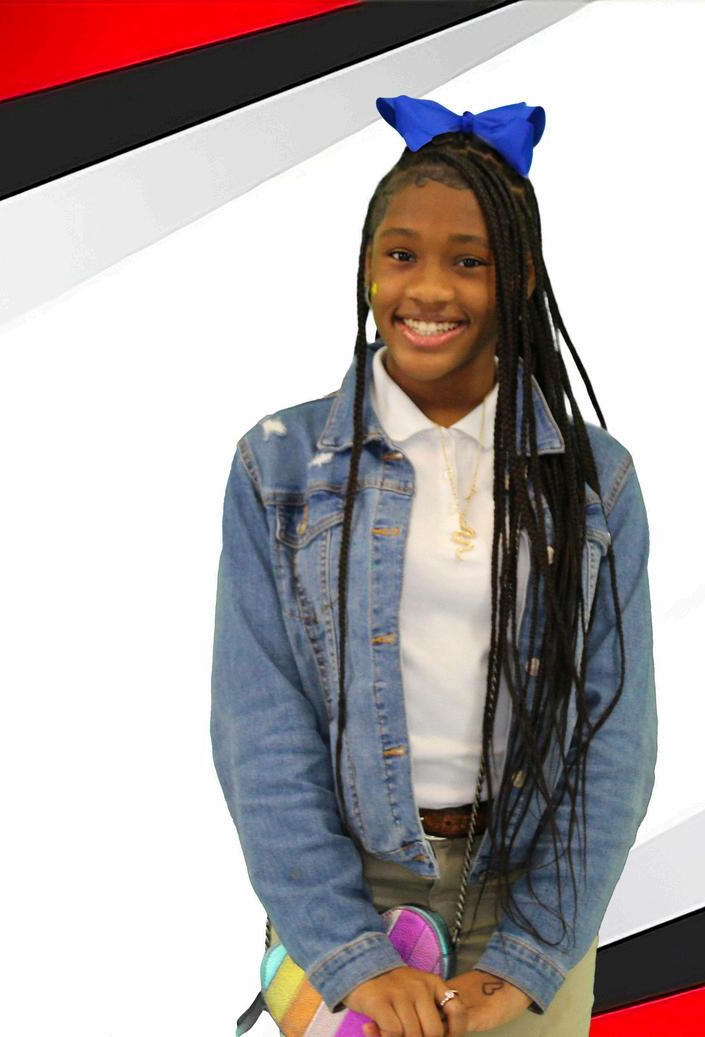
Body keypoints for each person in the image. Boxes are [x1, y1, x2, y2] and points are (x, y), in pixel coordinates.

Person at [212, 95, 657, 1037]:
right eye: (401, 254)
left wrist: (531, 954)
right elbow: (261, 734)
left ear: (521, 277)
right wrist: (349, 952)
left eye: (468, 261)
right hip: (346, 890)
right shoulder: (280, 467)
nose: (428, 290)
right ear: (367, 266)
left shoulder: (594, 482)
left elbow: (615, 737)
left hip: (529, 894)